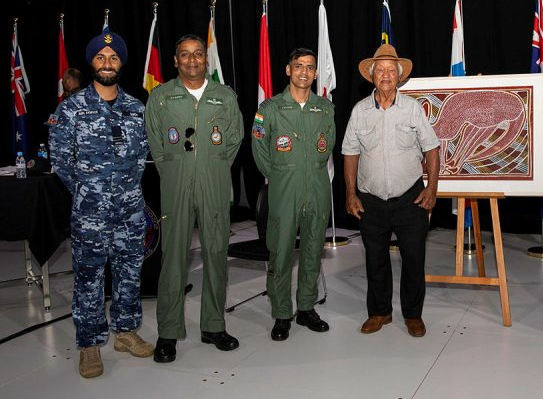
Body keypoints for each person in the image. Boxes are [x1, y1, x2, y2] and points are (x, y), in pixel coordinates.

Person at [49, 32, 153, 378]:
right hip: (90, 212)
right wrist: (88, 191)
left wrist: (124, 191)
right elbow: (61, 161)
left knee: (129, 272)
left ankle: (125, 332)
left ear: (121, 63)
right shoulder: (72, 108)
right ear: (91, 63)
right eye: (100, 58)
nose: (107, 64)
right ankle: (90, 345)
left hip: (130, 209)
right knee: (89, 276)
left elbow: (142, 157)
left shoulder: (136, 108)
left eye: (113, 58)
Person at [145, 34, 244, 363]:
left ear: (206, 60)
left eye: (198, 54)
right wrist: (178, 170)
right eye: (184, 55)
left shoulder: (224, 96)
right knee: (173, 257)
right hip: (175, 184)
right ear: (175, 61)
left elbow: (233, 139)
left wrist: (211, 168)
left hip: (214, 182)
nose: (191, 60)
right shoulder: (161, 97)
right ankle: (168, 332)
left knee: (217, 252)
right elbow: (157, 146)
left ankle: (214, 326)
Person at [342, 44, 440, 338]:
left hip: (410, 199)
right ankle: (380, 312)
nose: (385, 75)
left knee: (413, 259)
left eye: (391, 70)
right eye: (380, 70)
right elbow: (349, 153)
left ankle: (413, 314)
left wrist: (432, 187)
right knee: (375, 260)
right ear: (371, 75)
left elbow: (432, 149)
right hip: (371, 201)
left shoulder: (413, 109)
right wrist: (350, 193)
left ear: (399, 76)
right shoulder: (359, 111)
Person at [251, 48, 335, 341]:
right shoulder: (271, 108)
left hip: (317, 187)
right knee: (281, 252)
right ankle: (281, 312)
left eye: (310, 67)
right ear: (288, 70)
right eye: (298, 66)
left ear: (314, 73)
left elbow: (328, 145)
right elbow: (260, 150)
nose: (304, 72)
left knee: (313, 250)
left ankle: (307, 308)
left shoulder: (324, 108)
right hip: (284, 189)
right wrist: (280, 176)